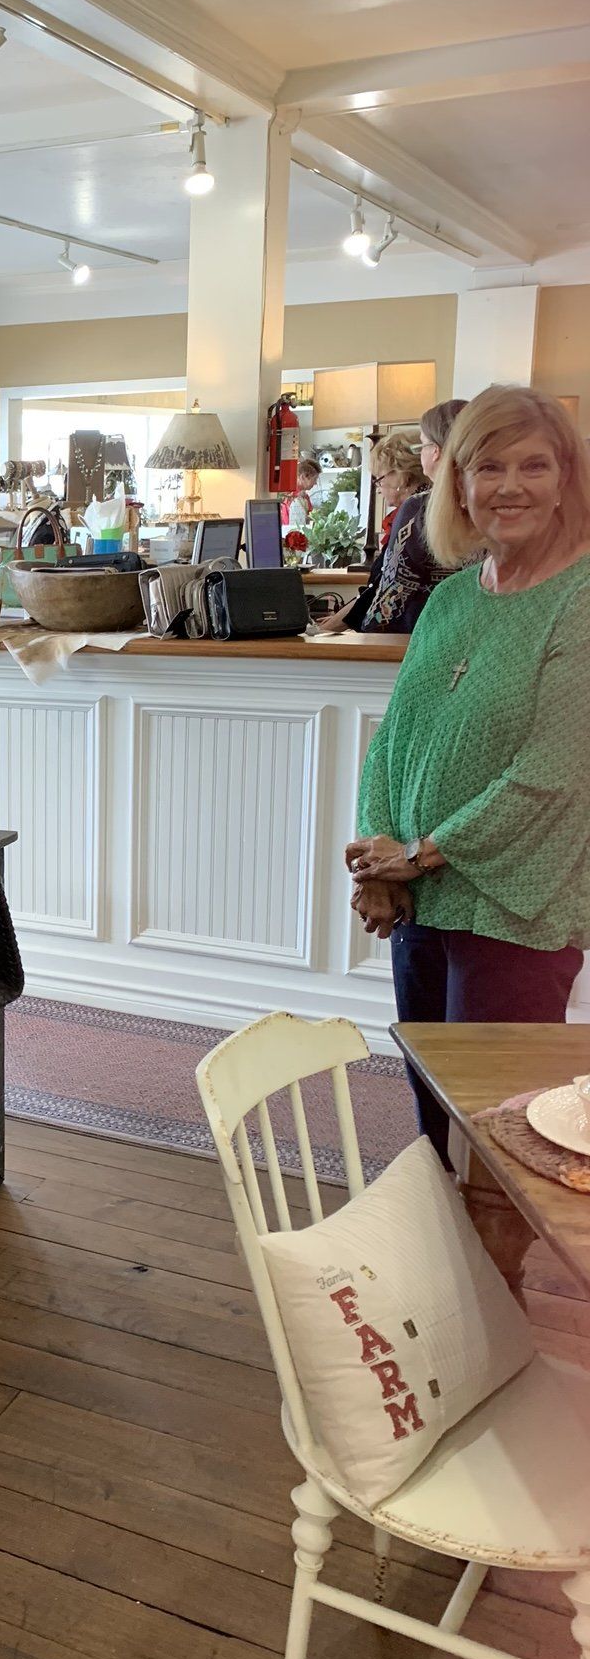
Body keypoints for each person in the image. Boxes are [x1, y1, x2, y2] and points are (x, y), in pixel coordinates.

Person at [345, 385, 590, 1159]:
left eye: (534, 465)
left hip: (517, 903)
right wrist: (381, 858)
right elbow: (395, 740)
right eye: (487, 467)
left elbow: (551, 772)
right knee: (431, 1102)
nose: (509, 486)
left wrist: (415, 857)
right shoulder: (452, 597)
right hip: (422, 895)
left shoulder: (581, 599)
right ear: (457, 483)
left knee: (499, 1126)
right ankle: (447, 1260)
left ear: (568, 479)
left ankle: (499, 1275)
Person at [325, 403, 468, 633]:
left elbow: (390, 596)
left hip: (412, 638)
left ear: (436, 451)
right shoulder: (474, 503)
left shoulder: (418, 509)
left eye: (423, 446)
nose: (378, 487)